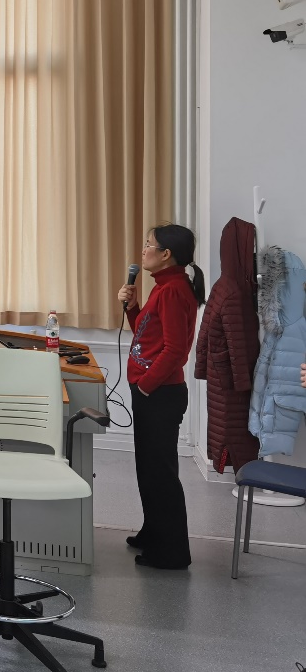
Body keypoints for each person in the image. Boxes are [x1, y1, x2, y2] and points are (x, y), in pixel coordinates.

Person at [118, 224, 206, 570]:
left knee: (161, 474)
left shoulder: (172, 290)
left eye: (149, 245)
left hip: (159, 394)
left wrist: (145, 386)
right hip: (154, 391)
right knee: (149, 469)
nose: (143, 250)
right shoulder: (164, 286)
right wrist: (132, 307)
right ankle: (154, 532)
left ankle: (172, 552)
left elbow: (175, 351)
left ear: (166, 254)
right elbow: (146, 333)